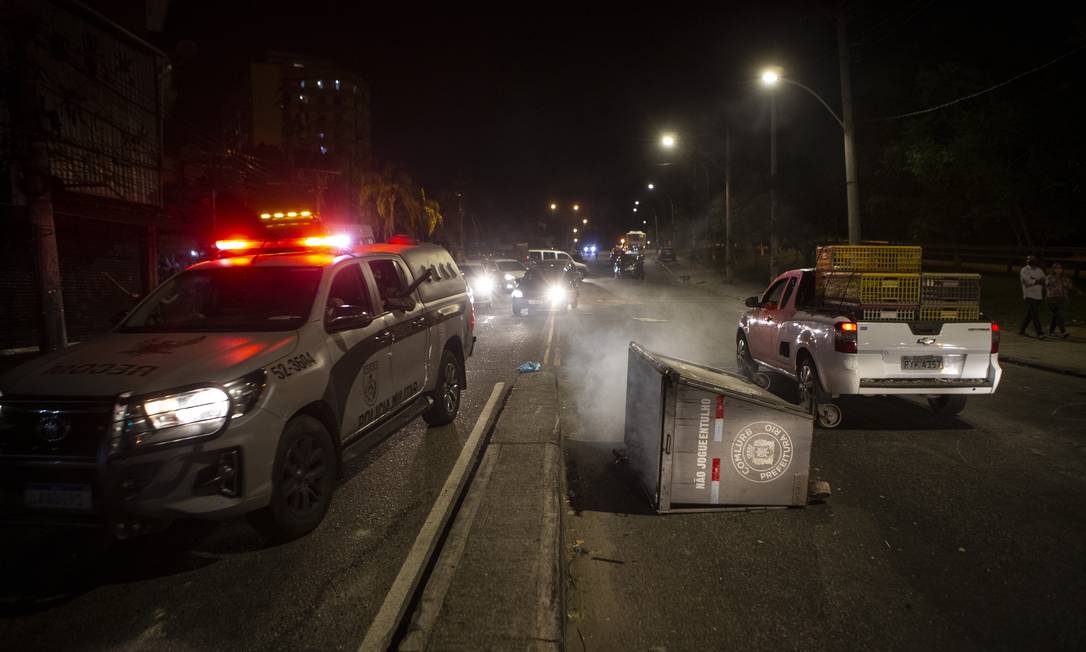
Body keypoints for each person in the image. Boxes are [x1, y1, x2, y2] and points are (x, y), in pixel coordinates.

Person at [1045, 263, 1079, 339]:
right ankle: (1063, 332)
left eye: (1060, 268)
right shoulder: (1049, 277)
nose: (1058, 270)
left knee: (1056, 315)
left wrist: (1077, 290)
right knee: (1059, 314)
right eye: (1056, 268)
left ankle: (1051, 331)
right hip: (1052, 299)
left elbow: (1070, 286)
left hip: (1062, 299)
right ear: (1053, 269)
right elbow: (1047, 285)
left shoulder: (1065, 278)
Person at [1019, 255, 1046, 339]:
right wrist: (1038, 281)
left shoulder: (1039, 270)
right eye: (1029, 259)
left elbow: (1044, 280)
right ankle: (1040, 333)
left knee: (1030, 314)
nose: (1030, 260)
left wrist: (1034, 280)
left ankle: (1022, 330)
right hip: (1029, 295)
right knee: (1035, 314)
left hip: (1038, 295)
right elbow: (1027, 282)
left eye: (1033, 259)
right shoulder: (1024, 270)